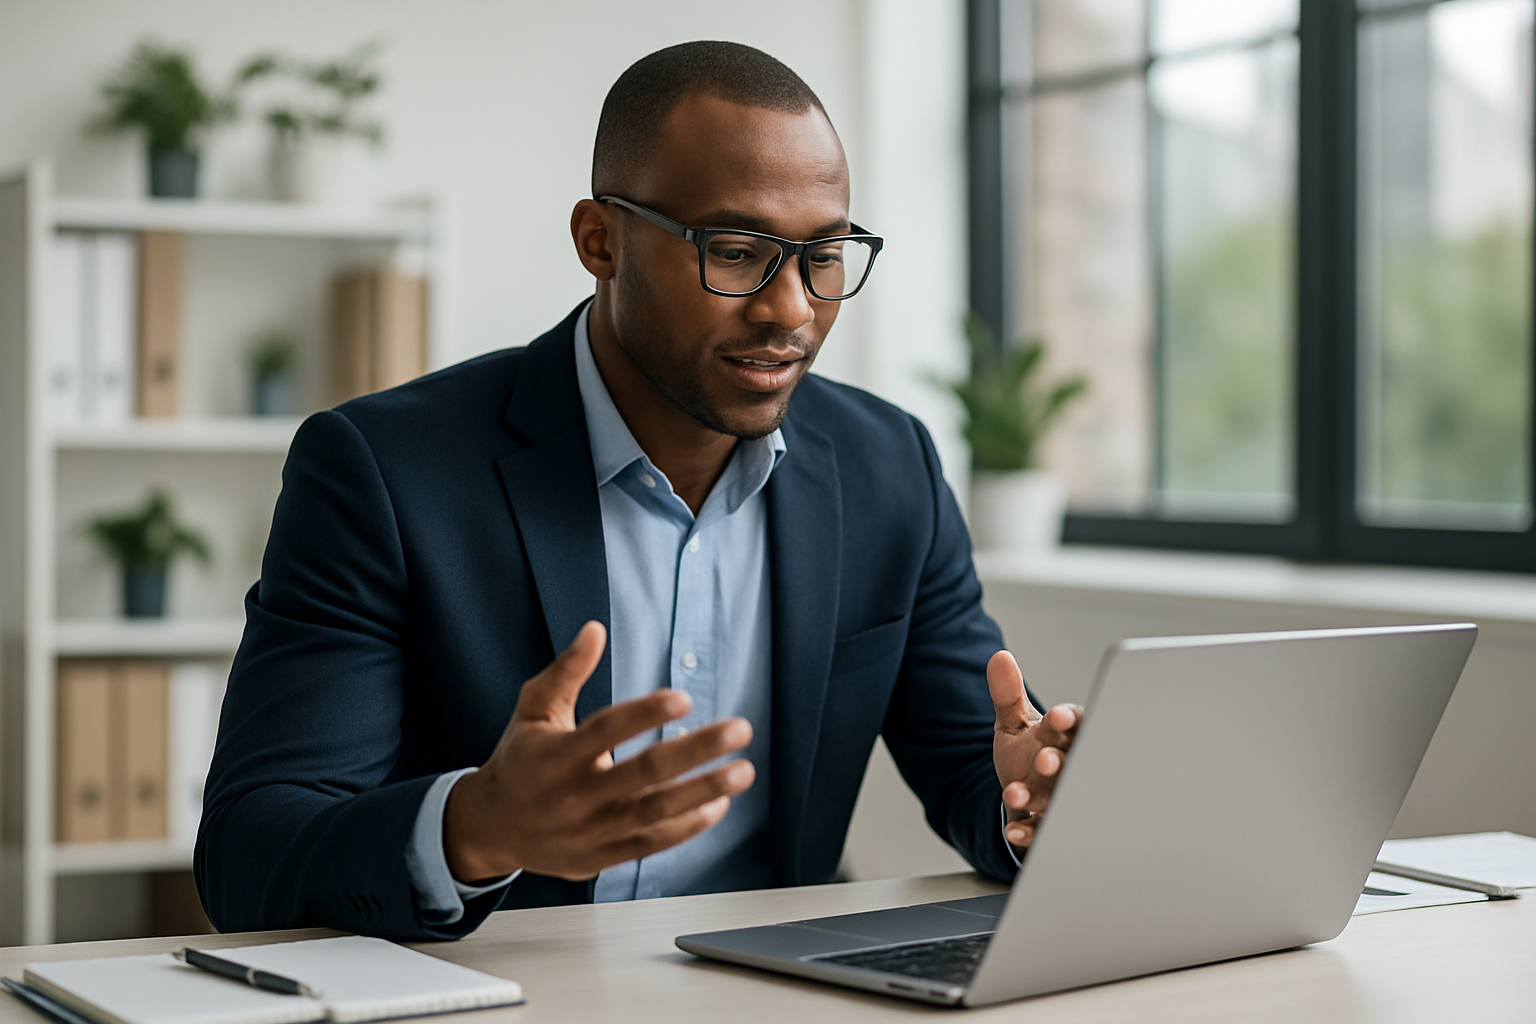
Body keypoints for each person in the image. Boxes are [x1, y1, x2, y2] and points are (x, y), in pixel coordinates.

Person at [195, 40, 1082, 942]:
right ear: (600, 241)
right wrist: (475, 826)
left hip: (780, 990)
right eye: (737, 253)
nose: (792, 310)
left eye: (824, 255)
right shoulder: (384, 472)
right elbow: (250, 854)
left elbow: (979, 765)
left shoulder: (888, 465)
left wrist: (1033, 793)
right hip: (500, 991)